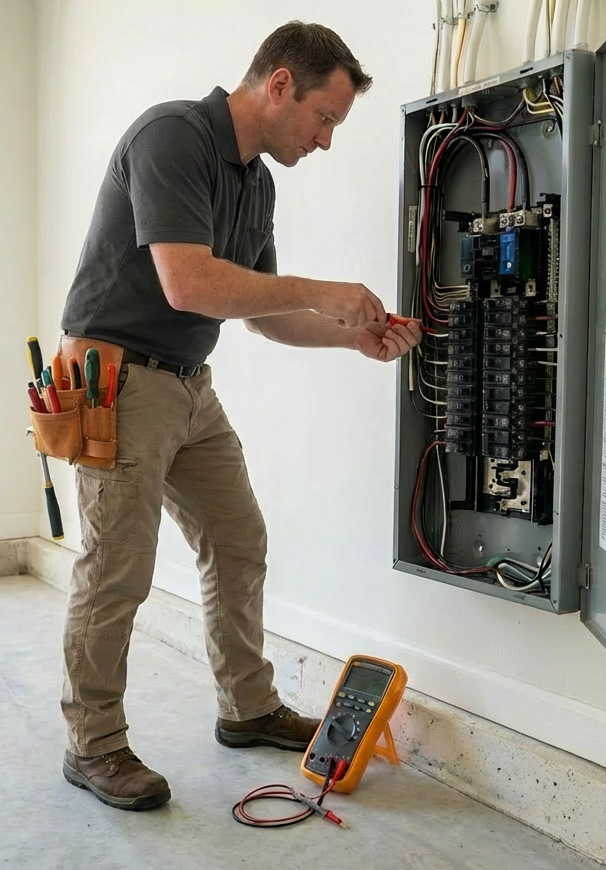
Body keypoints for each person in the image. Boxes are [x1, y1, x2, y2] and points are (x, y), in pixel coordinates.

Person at [56, 20, 422, 812]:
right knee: (117, 567)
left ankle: (247, 707)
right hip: (116, 380)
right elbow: (189, 284)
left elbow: (261, 315)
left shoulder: (257, 184)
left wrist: (350, 337)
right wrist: (322, 290)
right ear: (279, 84)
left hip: (188, 384)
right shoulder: (171, 137)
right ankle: (93, 743)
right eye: (323, 118)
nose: (325, 140)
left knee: (238, 540)